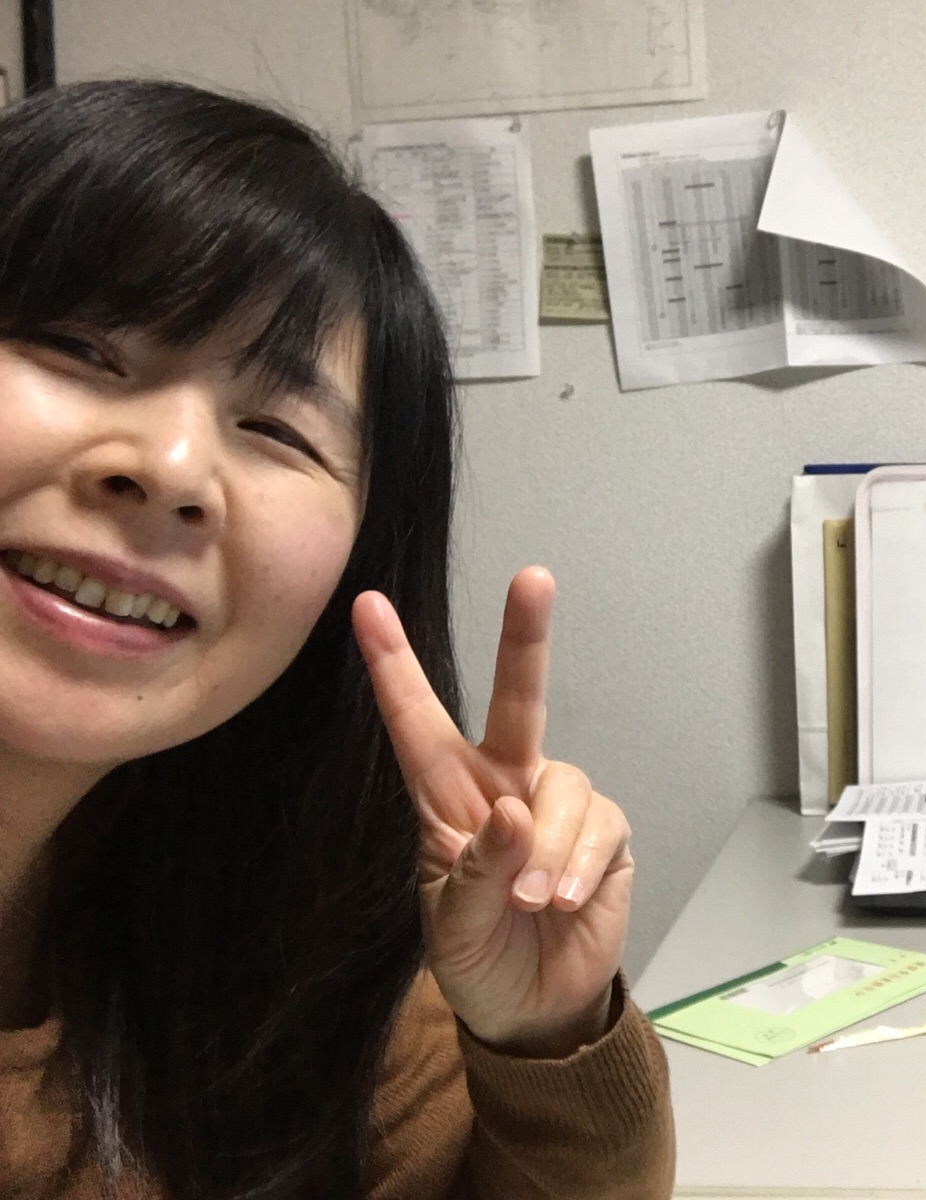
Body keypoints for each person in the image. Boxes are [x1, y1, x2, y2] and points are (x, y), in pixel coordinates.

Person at [0, 79, 673, 1197]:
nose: (172, 470)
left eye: (278, 429)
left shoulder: (276, 921)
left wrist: (543, 1037)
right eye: (77, 347)